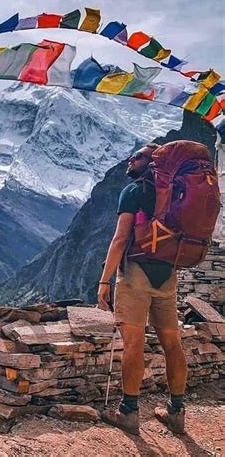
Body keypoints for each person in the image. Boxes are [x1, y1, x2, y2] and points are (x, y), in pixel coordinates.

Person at [97, 143, 187, 435]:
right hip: (168, 275)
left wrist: (104, 280)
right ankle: (176, 411)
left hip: (136, 274)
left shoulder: (135, 190)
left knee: (133, 345)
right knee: (173, 345)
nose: (130, 159)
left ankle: (129, 412)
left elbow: (121, 239)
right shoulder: (178, 192)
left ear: (149, 162)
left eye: (136, 156)